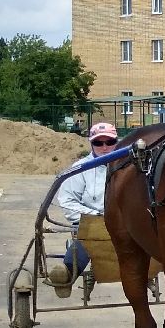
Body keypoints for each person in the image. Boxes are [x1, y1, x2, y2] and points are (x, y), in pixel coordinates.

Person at [46, 122, 120, 297]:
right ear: (91, 144)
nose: (104, 148)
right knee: (89, 236)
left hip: (125, 221)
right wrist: (95, 216)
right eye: (98, 143)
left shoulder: (131, 166)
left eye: (109, 142)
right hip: (93, 221)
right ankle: (67, 273)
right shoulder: (80, 168)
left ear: (116, 142)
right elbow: (67, 200)